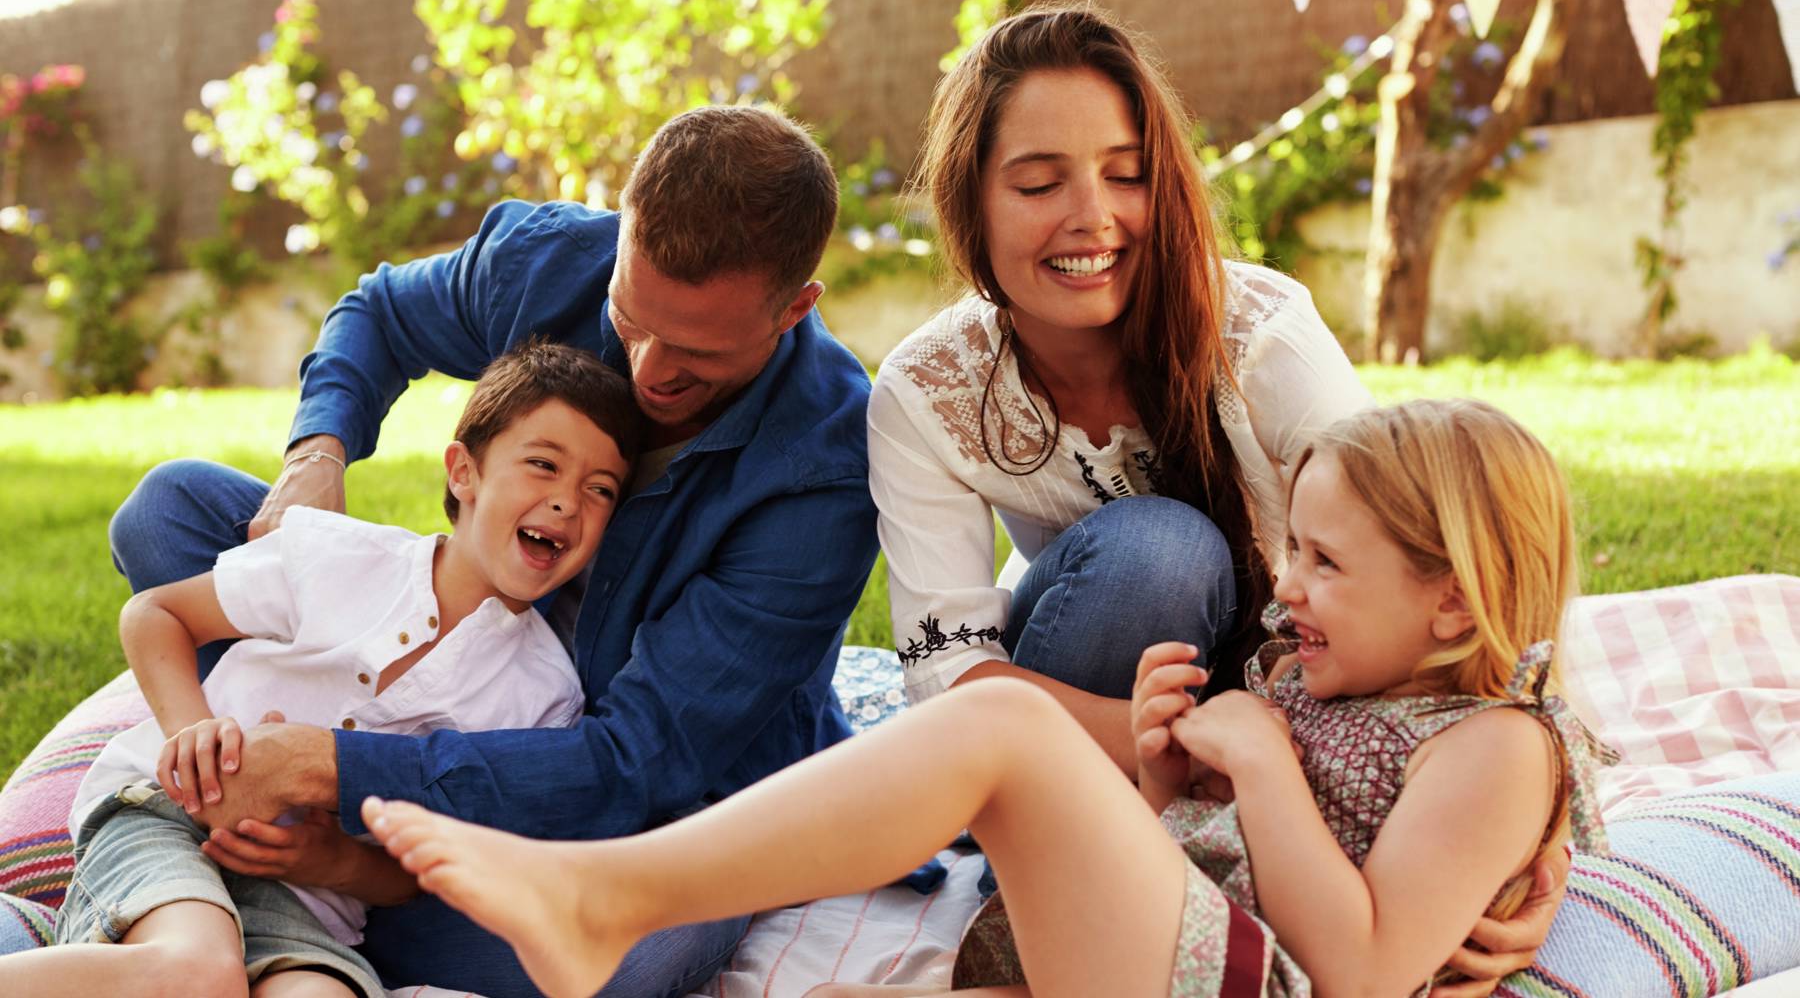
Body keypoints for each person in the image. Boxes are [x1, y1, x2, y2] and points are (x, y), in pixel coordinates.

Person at [357, 398, 1611, 998]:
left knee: (1003, 723)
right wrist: (1170, 783)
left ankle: (601, 895)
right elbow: (1233, 864)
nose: (1285, 584)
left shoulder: (1497, 746)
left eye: (1327, 563)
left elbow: (1365, 972)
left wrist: (1267, 765)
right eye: (1296, 549)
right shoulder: (1330, 676)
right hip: (1155, 964)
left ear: (1455, 602)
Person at [102, 104, 877, 996]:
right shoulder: (550, 258)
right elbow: (379, 312)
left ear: (794, 309)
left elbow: (642, 759)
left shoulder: (824, 468)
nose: (647, 370)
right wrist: (317, 455)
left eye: (696, 355)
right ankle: (273, 853)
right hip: (456, 660)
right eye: (630, 320)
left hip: (615, 768)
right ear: (622, 235)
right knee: (171, 510)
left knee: (650, 948)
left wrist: (333, 767)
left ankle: (333, 897)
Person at [870, 9, 1563, 987]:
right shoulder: (927, 392)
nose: (1092, 217)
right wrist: (1198, 739)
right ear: (970, 202)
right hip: (1122, 699)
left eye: (1125, 173)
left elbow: (1436, 555)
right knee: (1159, 550)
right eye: (1037, 182)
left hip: (1300, 686)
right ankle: (1058, 842)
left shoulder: (1261, 335)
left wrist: (1522, 837)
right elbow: (947, 685)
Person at [1, 342, 639, 998]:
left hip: (308, 904)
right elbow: (156, 614)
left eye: (600, 490)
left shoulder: (547, 698)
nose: (568, 502)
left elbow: (418, 873)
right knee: (196, 972)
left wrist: (331, 860)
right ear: (462, 472)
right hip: (172, 821)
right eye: (543, 465)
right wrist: (189, 731)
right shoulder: (339, 557)